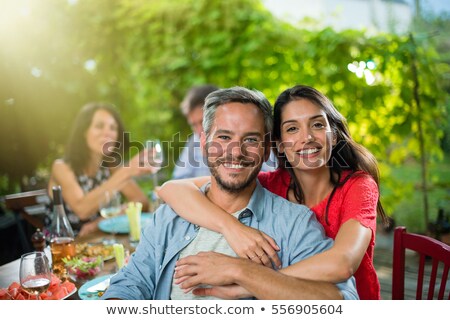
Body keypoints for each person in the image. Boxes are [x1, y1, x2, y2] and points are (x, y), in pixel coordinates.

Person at [102, 86, 358, 300]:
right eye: (224, 137)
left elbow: (341, 301)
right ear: (203, 144)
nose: (235, 152)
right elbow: (130, 284)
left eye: (250, 140)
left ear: (268, 148)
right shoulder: (170, 217)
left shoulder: (294, 223)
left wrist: (241, 271)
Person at [158, 84, 388, 300]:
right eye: (292, 129)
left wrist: (246, 278)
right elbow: (172, 189)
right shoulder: (271, 183)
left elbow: (343, 263)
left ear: (334, 135)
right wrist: (231, 227)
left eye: (317, 125)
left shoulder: (358, 186)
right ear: (277, 144)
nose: (306, 137)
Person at [47, 102, 157, 237]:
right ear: (84, 131)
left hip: (101, 241)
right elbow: (82, 209)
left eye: (113, 128)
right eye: (99, 126)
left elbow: (141, 201)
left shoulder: (111, 166)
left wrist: (101, 220)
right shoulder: (62, 167)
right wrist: (127, 170)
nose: (108, 133)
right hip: (66, 246)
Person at [173, 84, 276, 179]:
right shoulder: (194, 140)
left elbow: (272, 177)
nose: (199, 130)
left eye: (202, 122)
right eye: (194, 125)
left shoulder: (260, 138)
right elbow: (179, 179)